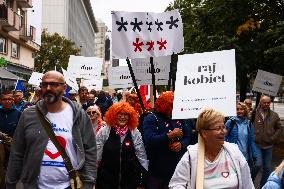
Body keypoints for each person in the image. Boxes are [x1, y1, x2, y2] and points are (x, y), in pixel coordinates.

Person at [6, 71, 97, 189]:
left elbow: (90, 149)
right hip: (34, 185)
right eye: (44, 84)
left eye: (54, 84)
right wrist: (11, 183)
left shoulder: (78, 114)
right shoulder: (28, 115)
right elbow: (17, 153)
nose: (48, 88)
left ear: (64, 88)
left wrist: (89, 182)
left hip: (69, 185)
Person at [169, 109, 254, 189]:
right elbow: (176, 184)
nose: (224, 132)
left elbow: (248, 185)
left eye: (223, 127)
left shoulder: (234, 152)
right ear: (204, 133)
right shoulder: (191, 156)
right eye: (218, 128)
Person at [143, 91, 191, 189]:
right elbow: (149, 140)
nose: (173, 110)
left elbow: (188, 137)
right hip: (157, 171)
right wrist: (169, 135)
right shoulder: (151, 118)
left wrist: (181, 144)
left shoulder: (179, 117)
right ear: (164, 106)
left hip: (177, 169)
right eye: (171, 107)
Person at [96, 101, 148, 189]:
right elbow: (97, 155)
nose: (123, 117)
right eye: (119, 114)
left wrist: (145, 176)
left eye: (126, 114)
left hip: (129, 181)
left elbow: (141, 155)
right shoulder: (105, 131)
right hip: (107, 181)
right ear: (113, 115)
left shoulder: (134, 132)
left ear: (130, 117)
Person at [252, 95, 282, 188]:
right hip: (257, 144)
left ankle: (263, 186)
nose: (266, 104)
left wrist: (273, 138)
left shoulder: (274, 115)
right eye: (264, 102)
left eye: (268, 103)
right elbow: (248, 125)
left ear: (270, 103)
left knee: (267, 168)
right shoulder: (253, 114)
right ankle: (250, 181)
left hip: (269, 145)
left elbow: (279, 128)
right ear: (260, 102)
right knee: (257, 165)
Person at [225, 102, 257, 171]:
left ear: (245, 110)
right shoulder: (230, 122)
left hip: (245, 156)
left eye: (241, 109)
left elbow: (251, 140)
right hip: (233, 155)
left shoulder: (249, 124)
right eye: (237, 109)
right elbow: (224, 138)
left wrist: (254, 154)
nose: (239, 111)